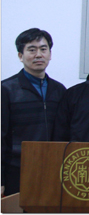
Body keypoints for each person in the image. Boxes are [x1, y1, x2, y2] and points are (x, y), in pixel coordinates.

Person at [1, 28, 66, 196]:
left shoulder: (59, 90)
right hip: (15, 169)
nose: (39, 55)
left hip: (52, 169)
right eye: (32, 49)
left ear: (50, 54)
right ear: (20, 56)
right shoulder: (6, 90)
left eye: (43, 49)